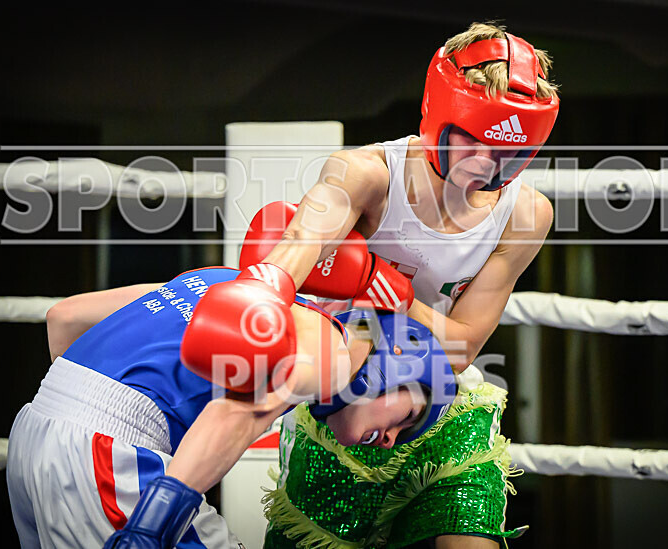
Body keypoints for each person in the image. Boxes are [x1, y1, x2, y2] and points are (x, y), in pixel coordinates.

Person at [239, 21, 559, 548]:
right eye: (471, 144)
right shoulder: (363, 174)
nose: (486, 167)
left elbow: (462, 346)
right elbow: (292, 252)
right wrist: (264, 289)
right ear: (437, 115)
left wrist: (398, 295)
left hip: (445, 403)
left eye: (509, 156)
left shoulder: (526, 212)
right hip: (346, 403)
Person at [6, 264, 456, 549]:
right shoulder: (335, 355)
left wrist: (71, 424)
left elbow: (64, 317)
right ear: (395, 365)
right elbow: (240, 411)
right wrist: (151, 527)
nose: (393, 438)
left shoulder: (223, 278)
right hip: (112, 454)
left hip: (33, 435)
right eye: (409, 416)